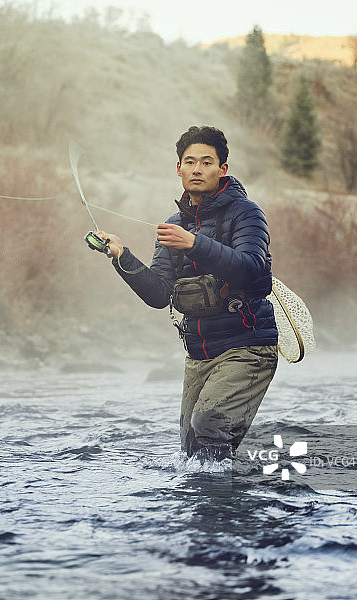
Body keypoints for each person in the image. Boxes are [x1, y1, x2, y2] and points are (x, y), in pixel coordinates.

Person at [94, 125, 278, 461]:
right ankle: (224, 497)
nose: (197, 169)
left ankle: (229, 508)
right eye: (189, 162)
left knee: (209, 426)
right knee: (192, 448)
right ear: (178, 168)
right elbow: (159, 294)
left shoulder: (247, 213)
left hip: (248, 347)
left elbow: (252, 268)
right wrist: (122, 257)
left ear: (223, 170)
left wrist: (195, 243)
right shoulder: (174, 222)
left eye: (206, 162)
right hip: (199, 354)